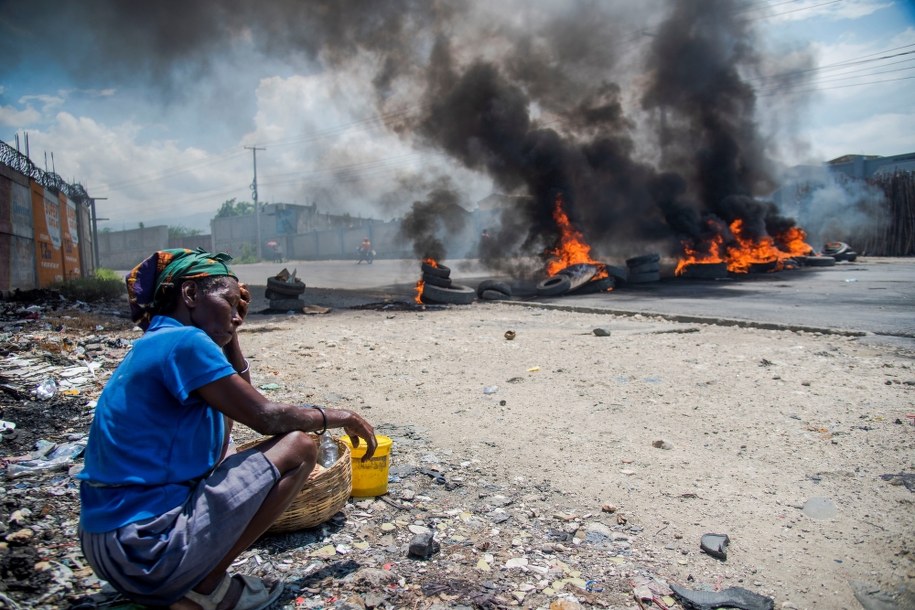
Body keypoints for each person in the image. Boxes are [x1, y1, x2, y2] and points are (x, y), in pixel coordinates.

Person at [77, 247, 377, 610]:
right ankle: (204, 586)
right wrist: (342, 416)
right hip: (146, 550)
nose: (238, 317)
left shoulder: (161, 339)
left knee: (229, 444)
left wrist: (230, 330)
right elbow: (265, 416)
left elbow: (237, 409)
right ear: (189, 295)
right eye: (230, 303)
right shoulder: (185, 343)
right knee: (299, 447)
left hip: (110, 546)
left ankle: (188, 580)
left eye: (240, 309)